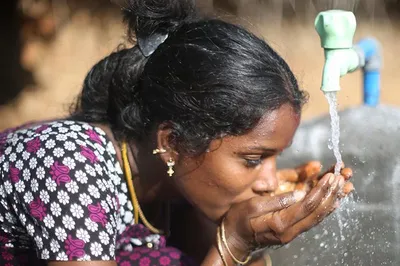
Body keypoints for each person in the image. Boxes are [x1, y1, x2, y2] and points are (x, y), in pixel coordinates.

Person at [0, 0, 354, 265]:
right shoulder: (68, 166)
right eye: (252, 159)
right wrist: (234, 242)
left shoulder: (182, 188)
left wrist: (253, 235)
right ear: (171, 143)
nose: (269, 181)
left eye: (275, 158)